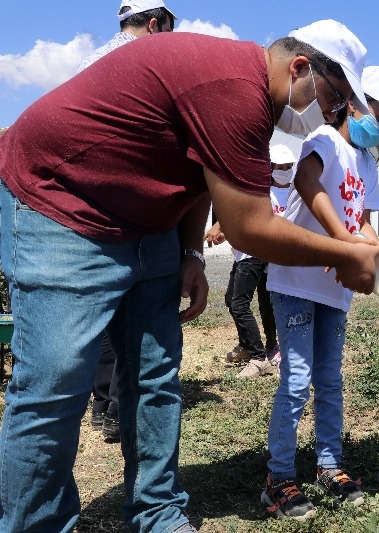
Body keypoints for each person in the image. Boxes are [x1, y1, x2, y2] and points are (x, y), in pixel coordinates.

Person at [0, 19, 379, 533]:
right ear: (300, 69)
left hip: (146, 223)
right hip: (62, 205)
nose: (334, 116)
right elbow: (249, 230)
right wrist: (340, 254)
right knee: (55, 384)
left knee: (154, 376)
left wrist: (190, 252)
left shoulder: (255, 101)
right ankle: (36, 524)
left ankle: (157, 512)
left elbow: (204, 170)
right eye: (336, 101)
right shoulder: (234, 89)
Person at [263, 65, 379, 520]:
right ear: (356, 104)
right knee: (296, 379)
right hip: (294, 277)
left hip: (334, 284)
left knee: (329, 378)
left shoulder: (366, 162)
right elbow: (306, 185)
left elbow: (363, 222)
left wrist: (374, 256)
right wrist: (344, 243)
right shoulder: (325, 141)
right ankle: (279, 479)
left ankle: (329, 465)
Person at [80, 0, 178, 444]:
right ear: (155, 23)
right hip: (132, 213)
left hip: (87, 212)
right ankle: (123, 410)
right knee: (137, 320)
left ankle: (103, 406)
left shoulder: (89, 61)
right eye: (170, 30)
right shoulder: (146, 63)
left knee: (103, 319)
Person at [206, 144, 298, 379]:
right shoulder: (261, 191)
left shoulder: (295, 195)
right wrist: (221, 226)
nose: (284, 171)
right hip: (248, 252)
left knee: (242, 303)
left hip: (258, 254)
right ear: (270, 168)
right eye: (280, 167)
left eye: (289, 167)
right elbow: (241, 213)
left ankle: (259, 356)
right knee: (237, 300)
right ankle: (255, 346)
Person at [79, 0, 177, 73]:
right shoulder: (148, 63)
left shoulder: (90, 59)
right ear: (152, 25)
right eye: (167, 32)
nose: (168, 39)